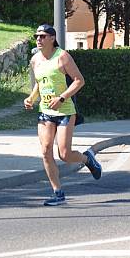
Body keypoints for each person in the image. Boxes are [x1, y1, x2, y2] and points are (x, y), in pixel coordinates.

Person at [24, 24, 102, 206]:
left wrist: (62, 97)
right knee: (45, 151)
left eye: (43, 36)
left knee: (65, 154)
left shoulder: (62, 57)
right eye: (37, 36)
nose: (38, 39)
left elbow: (79, 80)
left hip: (65, 111)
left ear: (52, 38)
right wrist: (31, 98)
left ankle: (87, 158)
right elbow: (39, 83)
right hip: (45, 111)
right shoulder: (35, 59)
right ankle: (57, 192)